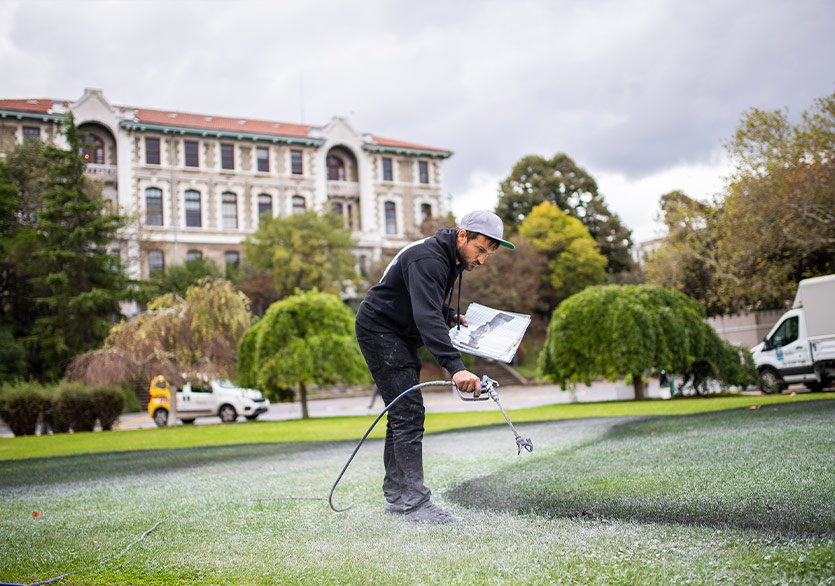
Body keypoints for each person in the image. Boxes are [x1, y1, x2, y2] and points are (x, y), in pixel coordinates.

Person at [354, 210, 514, 524]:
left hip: (400, 334)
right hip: (381, 331)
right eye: (480, 250)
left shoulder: (449, 259)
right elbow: (426, 317)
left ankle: (398, 497)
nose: (482, 260)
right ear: (463, 235)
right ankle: (414, 505)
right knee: (408, 412)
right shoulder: (428, 258)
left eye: (488, 255)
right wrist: (455, 368)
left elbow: (423, 299)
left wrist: (449, 313)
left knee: (403, 413)